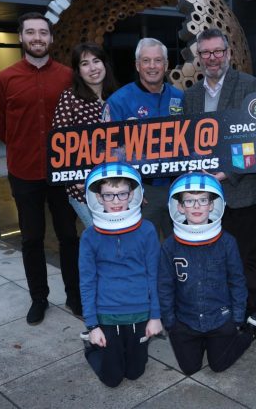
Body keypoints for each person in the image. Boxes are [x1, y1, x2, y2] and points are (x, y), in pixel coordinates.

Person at [0, 12, 81, 324]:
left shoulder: (69, 76)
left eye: (43, 32)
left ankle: (75, 295)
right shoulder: (5, 78)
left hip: (62, 172)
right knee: (31, 239)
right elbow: (1, 127)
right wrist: (23, 146)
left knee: (69, 236)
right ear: (21, 37)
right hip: (24, 171)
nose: (37, 38)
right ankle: (39, 298)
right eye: (31, 32)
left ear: (51, 39)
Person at [183, 28, 256, 330]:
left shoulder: (250, 86)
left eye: (218, 51)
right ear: (199, 58)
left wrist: (226, 172)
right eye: (205, 53)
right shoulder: (190, 96)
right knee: (215, 259)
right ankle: (226, 312)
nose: (212, 58)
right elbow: (186, 143)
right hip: (206, 198)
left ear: (229, 53)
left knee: (248, 259)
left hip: (243, 192)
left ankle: (253, 314)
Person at [158, 173, 256, 375]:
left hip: (220, 319)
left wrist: (237, 318)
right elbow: (164, 285)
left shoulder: (227, 242)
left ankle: (250, 331)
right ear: (179, 207)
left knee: (218, 365)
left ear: (213, 205)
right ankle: (202, 343)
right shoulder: (170, 245)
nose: (196, 206)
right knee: (190, 368)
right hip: (185, 321)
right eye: (189, 200)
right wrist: (171, 322)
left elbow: (237, 281)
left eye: (203, 200)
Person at [79, 162, 162, 387]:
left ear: (132, 194)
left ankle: (125, 352)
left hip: (140, 312)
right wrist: (92, 325)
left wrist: (156, 316)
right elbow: (87, 283)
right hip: (107, 314)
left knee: (135, 373)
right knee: (113, 379)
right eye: (108, 195)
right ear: (97, 198)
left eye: (122, 194)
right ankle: (91, 348)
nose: (116, 202)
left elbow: (155, 275)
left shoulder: (147, 230)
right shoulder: (89, 236)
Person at [102, 37, 185, 238]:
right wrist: (131, 187)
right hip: (143, 192)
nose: (152, 66)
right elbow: (107, 151)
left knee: (180, 249)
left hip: (178, 189)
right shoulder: (118, 101)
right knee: (145, 251)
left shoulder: (180, 97)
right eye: (146, 61)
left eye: (158, 61)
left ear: (166, 65)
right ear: (137, 65)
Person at [52, 42, 119, 228]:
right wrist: (75, 178)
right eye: (84, 63)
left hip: (116, 187)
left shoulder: (117, 97)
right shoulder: (70, 98)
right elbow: (59, 145)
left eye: (96, 61)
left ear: (105, 64)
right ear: (78, 71)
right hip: (84, 189)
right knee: (100, 239)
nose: (92, 68)